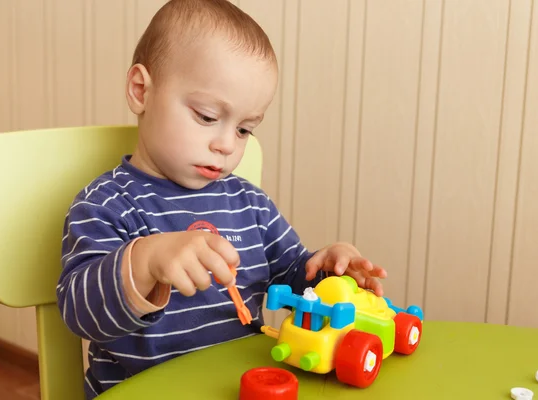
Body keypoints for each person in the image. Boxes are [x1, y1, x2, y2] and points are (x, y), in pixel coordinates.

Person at [57, 0, 387, 398]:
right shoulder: (106, 204)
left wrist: (333, 273)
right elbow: (80, 313)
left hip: (241, 388)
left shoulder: (250, 205)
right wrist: (145, 260)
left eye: (246, 129)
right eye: (207, 116)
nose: (226, 144)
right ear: (141, 91)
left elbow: (297, 280)